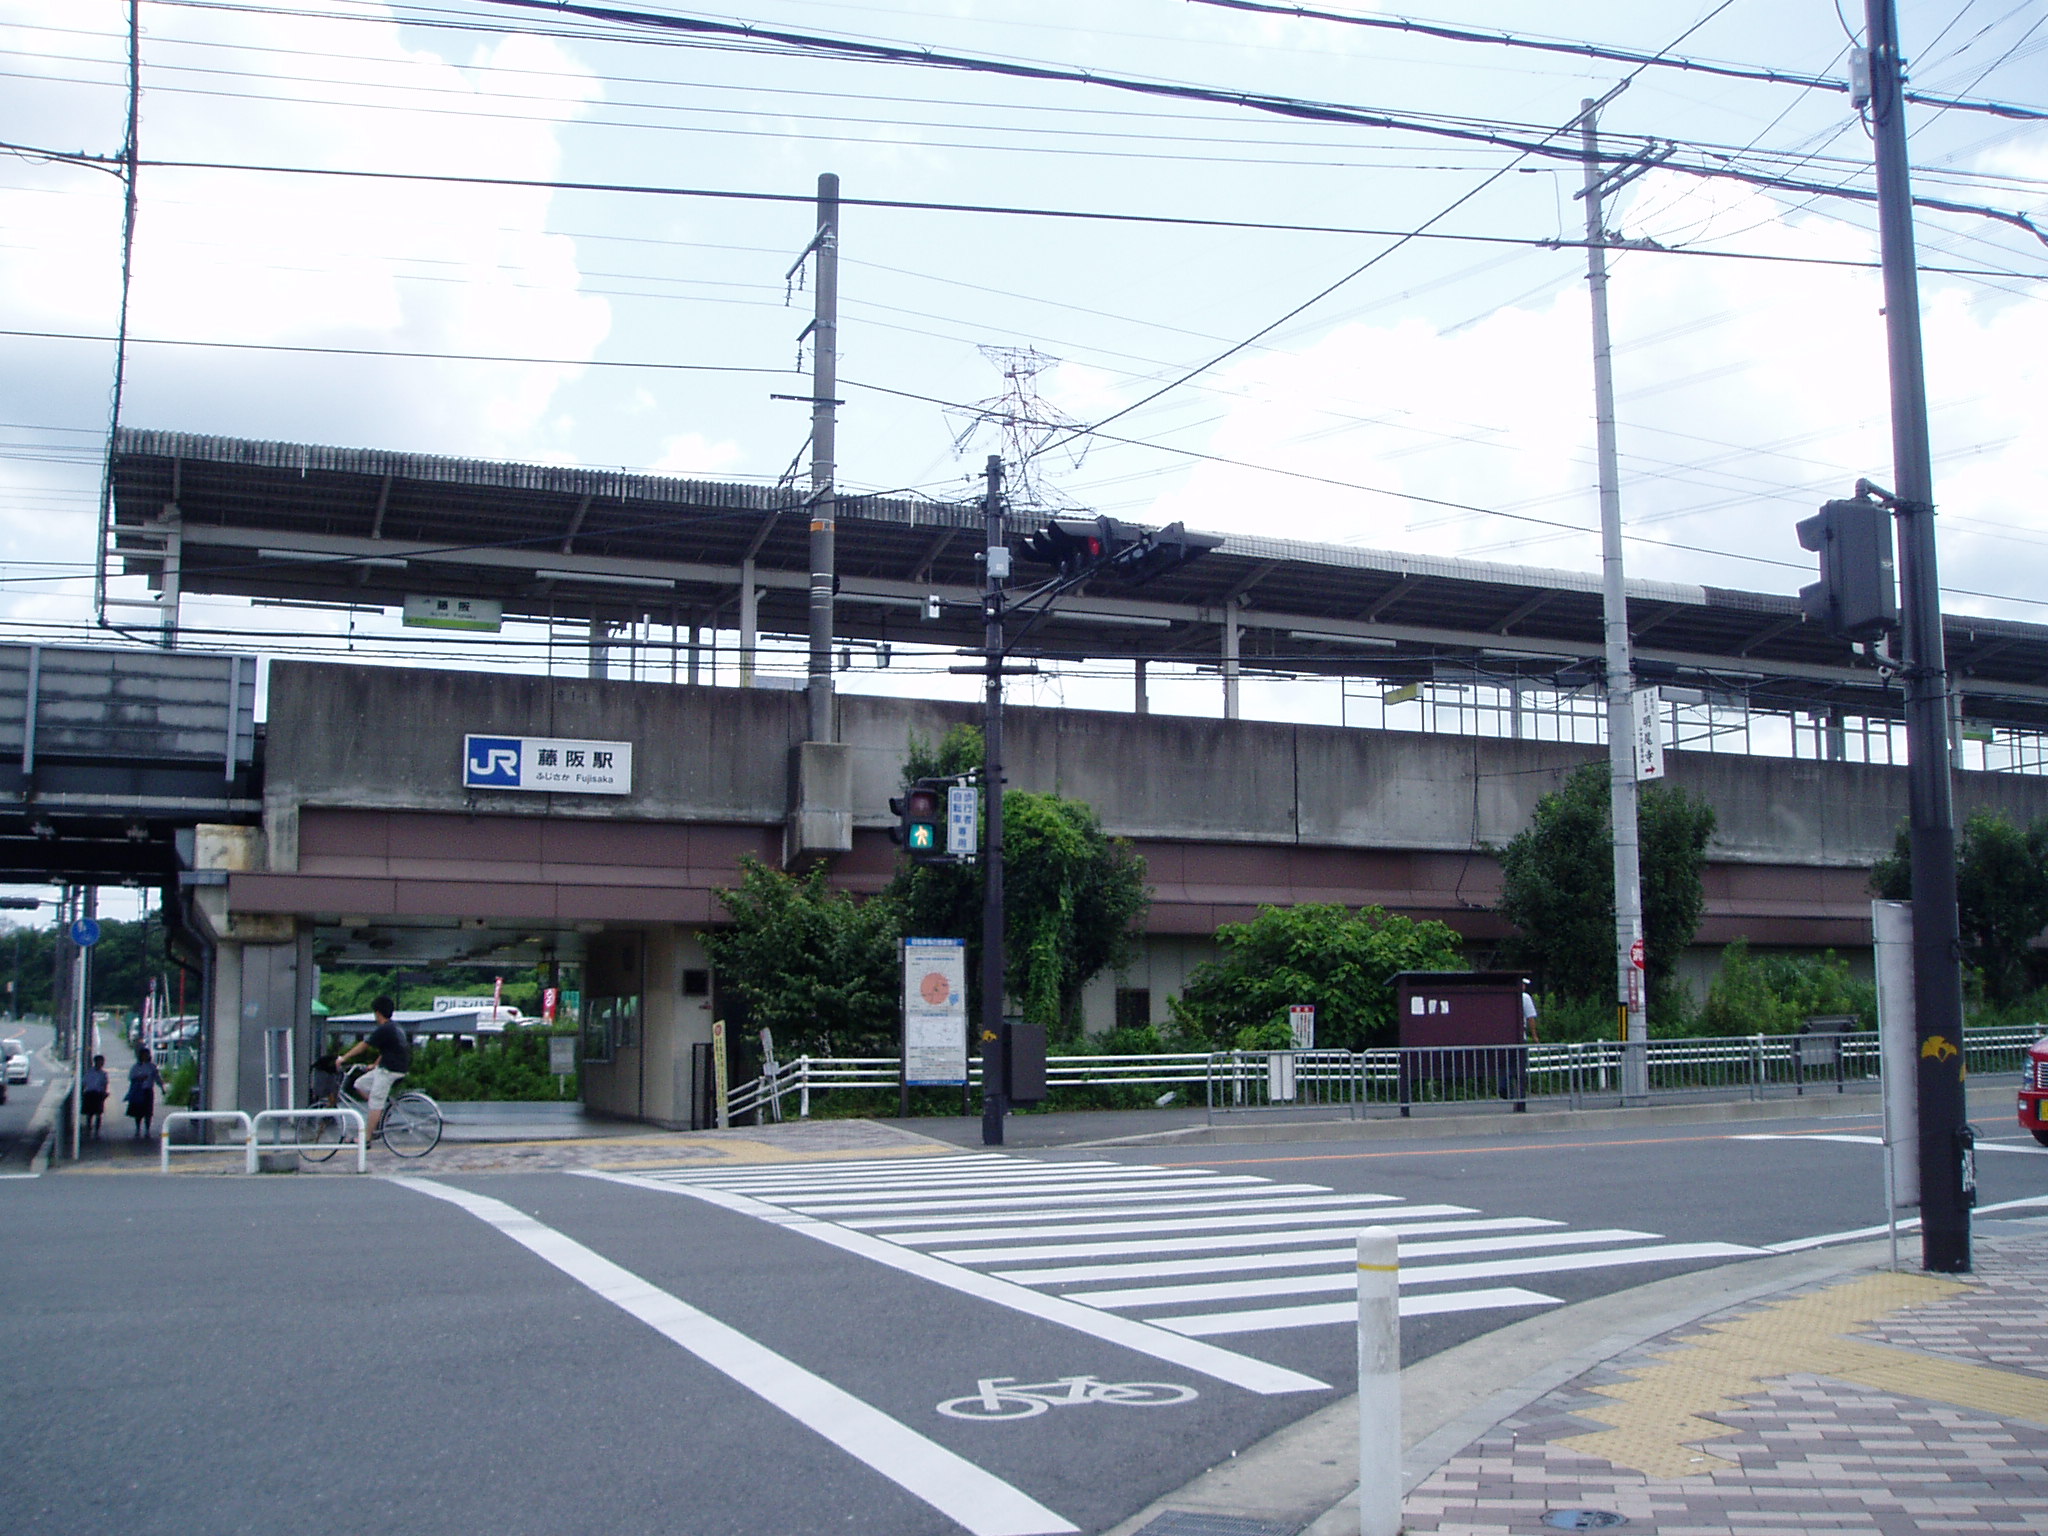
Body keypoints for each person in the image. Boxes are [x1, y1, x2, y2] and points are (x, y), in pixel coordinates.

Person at [336, 996, 410, 1142]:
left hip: (389, 1070)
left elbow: (364, 1045)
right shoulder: (395, 1027)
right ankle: (379, 1114)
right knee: (360, 1084)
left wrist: (343, 1058)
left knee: (375, 1102)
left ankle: (366, 1138)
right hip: (391, 1066)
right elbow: (389, 1050)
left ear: (377, 1013)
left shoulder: (383, 1029)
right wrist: (375, 1065)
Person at [125, 1048, 165, 1139]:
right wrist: (139, 1078)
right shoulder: (136, 1066)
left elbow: (157, 1078)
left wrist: (162, 1087)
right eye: (144, 1055)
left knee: (148, 1112)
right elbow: (131, 1077)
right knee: (138, 1112)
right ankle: (138, 1128)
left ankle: (147, 1129)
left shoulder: (152, 1067)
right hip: (139, 1090)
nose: (145, 1056)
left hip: (148, 1090)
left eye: (147, 1054)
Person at [80, 1054, 109, 1140]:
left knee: (99, 1113)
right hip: (89, 1093)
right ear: (95, 1062)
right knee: (89, 1114)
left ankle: (97, 1131)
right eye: (99, 1061)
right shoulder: (89, 1072)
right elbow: (84, 1083)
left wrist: (104, 1093)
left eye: (102, 1062)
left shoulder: (103, 1074)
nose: (101, 1063)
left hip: (98, 1094)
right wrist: (82, 1093)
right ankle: (88, 1130)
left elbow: (105, 1084)